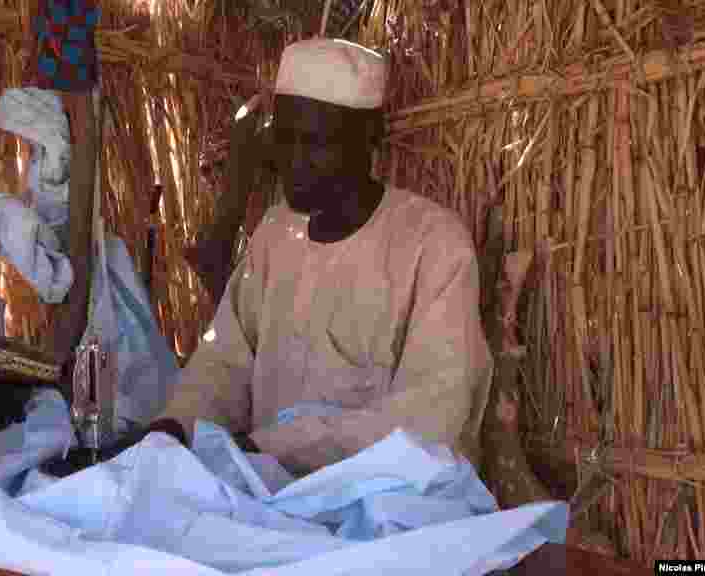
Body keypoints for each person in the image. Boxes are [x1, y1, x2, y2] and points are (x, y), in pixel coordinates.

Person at [130, 38, 494, 477]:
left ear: (370, 138)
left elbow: (434, 414)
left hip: (386, 499)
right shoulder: (275, 234)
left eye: (318, 143)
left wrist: (275, 447)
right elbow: (224, 361)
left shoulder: (432, 243)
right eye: (285, 139)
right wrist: (176, 428)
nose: (295, 161)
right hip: (269, 487)